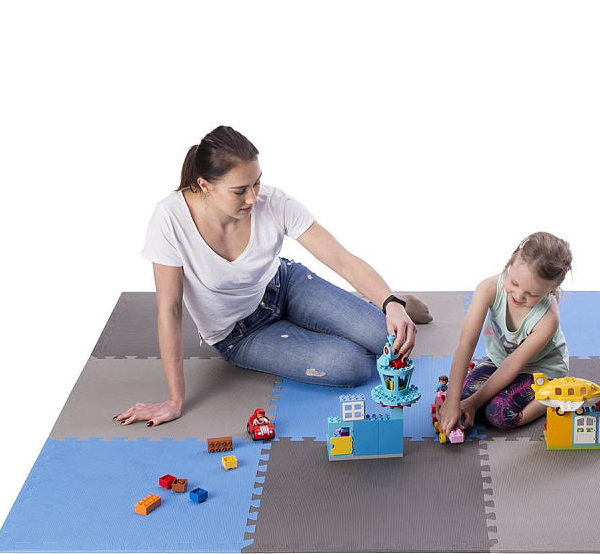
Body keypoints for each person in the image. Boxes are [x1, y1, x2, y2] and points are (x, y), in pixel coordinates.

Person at [114, 126, 417, 428]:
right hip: (241, 334)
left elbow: (341, 259)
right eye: (239, 191)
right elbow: (170, 310)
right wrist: (174, 400)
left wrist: (390, 302)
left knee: (386, 338)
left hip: (284, 285)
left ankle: (384, 302)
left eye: (256, 183)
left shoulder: (274, 202)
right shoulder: (170, 218)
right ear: (205, 185)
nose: (253, 198)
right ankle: (365, 306)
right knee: (355, 366)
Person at [437, 232, 572, 435]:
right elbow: (466, 343)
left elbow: (513, 365)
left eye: (532, 294)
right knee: (462, 394)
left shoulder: (548, 319)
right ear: (509, 264)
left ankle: (552, 397)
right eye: (514, 283)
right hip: (501, 361)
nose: (518, 295)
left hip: (540, 370)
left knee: (499, 414)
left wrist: (473, 403)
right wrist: (452, 400)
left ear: (551, 290)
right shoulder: (488, 288)